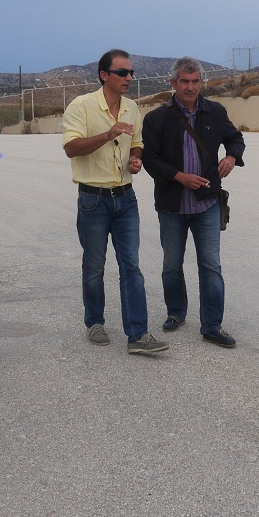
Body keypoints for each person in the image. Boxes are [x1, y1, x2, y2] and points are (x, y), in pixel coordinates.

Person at [61, 49, 168, 355]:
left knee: (131, 266)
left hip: (125, 198)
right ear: (104, 75)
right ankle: (94, 322)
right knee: (95, 266)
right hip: (93, 199)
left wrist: (136, 159)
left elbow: (138, 143)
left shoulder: (132, 108)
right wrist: (108, 134)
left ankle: (138, 334)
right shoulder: (81, 105)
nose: (129, 78)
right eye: (122, 72)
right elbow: (71, 147)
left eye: (131, 72)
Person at [141, 57, 245, 347]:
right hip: (171, 205)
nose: (190, 87)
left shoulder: (215, 112)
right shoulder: (156, 118)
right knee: (172, 264)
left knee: (210, 265)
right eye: (184, 81)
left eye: (195, 81)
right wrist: (179, 177)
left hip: (207, 203)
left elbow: (235, 138)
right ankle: (176, 312)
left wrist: (231, 156)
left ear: (201, 82)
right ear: (173, 83)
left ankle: (212, 325)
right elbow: (150, 160)